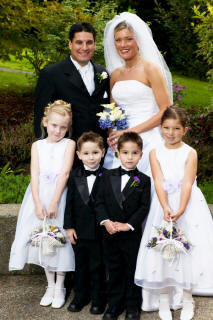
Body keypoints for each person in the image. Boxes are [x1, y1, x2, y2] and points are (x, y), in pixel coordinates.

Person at [135, 105, 213, 320]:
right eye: (167, 128)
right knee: (161, 248)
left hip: (187, 206)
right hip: (163, 204)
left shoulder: (190, 152)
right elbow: (158, 180)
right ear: (160, 128)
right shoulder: (154, 152)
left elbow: (187, 182)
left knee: (186, 248)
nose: (171, 133)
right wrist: (165, 206)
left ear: (185, 130)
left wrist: (180, 208)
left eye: (177, 128)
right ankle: (163, 299)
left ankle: (187, 298)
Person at [9, 100, 76, 309]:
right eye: (54, 125)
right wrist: (37, 202)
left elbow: (65, 173)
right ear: (45, 122)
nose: (58, 130)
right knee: (42, 238)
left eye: (63, 127)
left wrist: (55, 200)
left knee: (59, 238)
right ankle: (50, 284)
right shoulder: (37, 146)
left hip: (60, 195)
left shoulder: (69, 144)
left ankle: (61, 286)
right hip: (39, 196)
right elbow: (35, 174)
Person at [103, 12, 172, 177]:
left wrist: (131, 132)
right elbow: (112, 112)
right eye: (118, 40)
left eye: (128, 39)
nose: (123, 44)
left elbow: (166, 111)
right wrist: (112, 135)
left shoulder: (151, 70)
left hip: (147, 138)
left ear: (139, 41)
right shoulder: (115, 75)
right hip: (121, 141)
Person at [34, 22, 110, 162]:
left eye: (89, 42)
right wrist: (47, 155)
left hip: (99, 154)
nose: (84, 48)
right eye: (79, 42)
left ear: (94, 44)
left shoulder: (103, 73)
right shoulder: (51, 74)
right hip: (65, 154)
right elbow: (40, 116)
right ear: (70, 44)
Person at [95, 132, 151, 320]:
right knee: (113, 270)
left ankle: (132, 305)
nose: (129, 157)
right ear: (118, 153)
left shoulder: (143, 180)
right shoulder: (106, 175)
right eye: (125, 152)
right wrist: (106, 222)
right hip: (109, 233)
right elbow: (99, 202)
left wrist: (129, 225)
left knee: (131, 269)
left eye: (134, 153)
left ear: (141, 155)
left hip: (130, 235)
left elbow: (144, 207)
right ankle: (114, 305)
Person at [64, 131, 106, 315]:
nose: (91, 157)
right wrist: (69, 226)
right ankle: (80, 297)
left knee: (98, 266)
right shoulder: (74, 175)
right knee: (80, 267)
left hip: (99, 231)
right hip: (79, 230)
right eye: (86, 153)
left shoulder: (109, 175)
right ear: (79, 154)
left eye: (95, 153)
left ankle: (98, 299)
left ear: (103, 152)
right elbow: (69, 202)